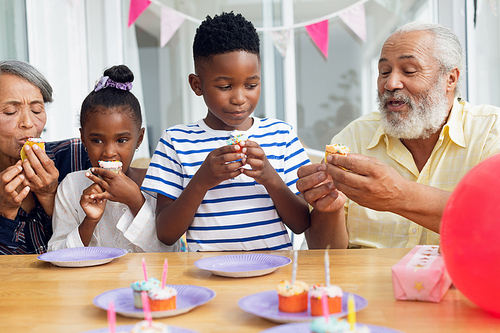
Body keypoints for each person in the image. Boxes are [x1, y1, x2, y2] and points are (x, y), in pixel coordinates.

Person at [297, 22, 500, 249]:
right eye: (384, 72)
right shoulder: (353, 138)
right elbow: (324, 253)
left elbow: (493, 221)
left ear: (450, 79)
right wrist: (328, 208)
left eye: (409, 71)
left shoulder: (491, 133)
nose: (390, 83)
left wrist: (400, 195)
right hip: (363, 284)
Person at [141, 12, 311, 251]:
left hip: (273, 275)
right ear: (196, 85)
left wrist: (270, 177)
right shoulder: (175, 142)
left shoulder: (281, 136)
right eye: (225, 87)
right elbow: (165, 234)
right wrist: (201, 182)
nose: (240, 98)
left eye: (251, 85)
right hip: (207, 275)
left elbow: (302, 223)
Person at [48, 65, 176, 252]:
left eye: (121, 140)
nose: (109, 152)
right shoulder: (71, 187)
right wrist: (90, 220)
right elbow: (56, 254)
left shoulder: (157, 184)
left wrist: (136, 201)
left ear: (139, 138)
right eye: (97, 140)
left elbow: (170, 255)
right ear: (83, 138)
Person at [0, 60, 91, 255]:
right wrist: (6, 213)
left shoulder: (77, 156)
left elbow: (101, 243)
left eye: (36, 110)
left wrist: (51, 197)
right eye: (10, 111)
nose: (28, 123)